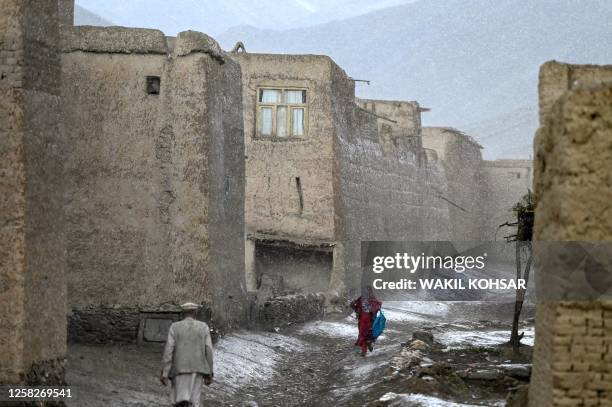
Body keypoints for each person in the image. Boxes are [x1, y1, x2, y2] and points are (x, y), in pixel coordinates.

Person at [160, 302, 214, 407]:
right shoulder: (203, 327)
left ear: (183, 313)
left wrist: (165, 373)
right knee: (194, 401)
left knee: (178, 401)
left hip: (179, 369)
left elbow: (168, 351)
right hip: (197, 369)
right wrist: (209, 373)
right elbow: (209, 350)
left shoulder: (175, 327)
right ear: (196, 313)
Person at [350, 286, 382, 356]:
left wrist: (355, 308)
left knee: (364, 334)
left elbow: (354, 305)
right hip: (367, 320)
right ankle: (368, 344)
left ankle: (364, 350)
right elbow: (378, 307)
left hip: (365, 320)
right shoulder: (371, 299)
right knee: (366, 334)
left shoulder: (362, 299)